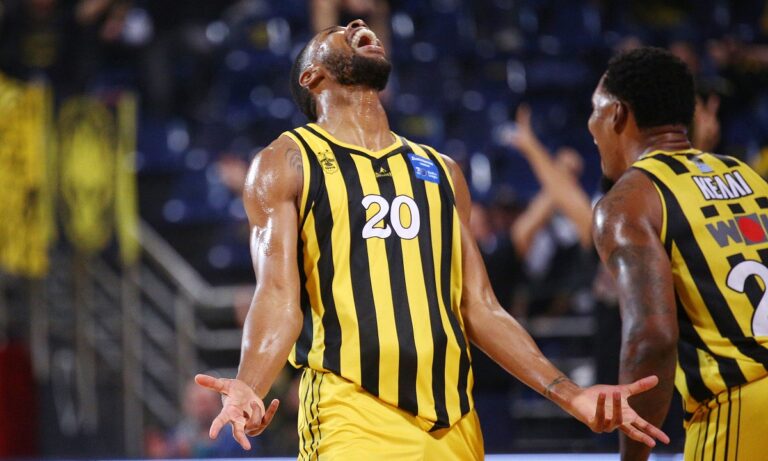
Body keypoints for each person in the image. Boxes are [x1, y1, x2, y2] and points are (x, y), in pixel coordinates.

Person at [194, 20, 669, 459]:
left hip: (455, 423)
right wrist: (249, 383)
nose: (357, 24)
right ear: (312, 77)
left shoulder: (442, 170)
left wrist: (571, 395)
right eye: (338, 29)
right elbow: (277, 295)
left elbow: (481, 308)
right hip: (354, 414)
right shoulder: (287, 161)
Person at [590, 46, 768, 461]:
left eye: (595, 110)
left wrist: (633, 457)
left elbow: (651, 337)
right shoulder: (747, 176)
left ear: (616, 114)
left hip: (742, 405)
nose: (590, 126)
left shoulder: (627, 203)